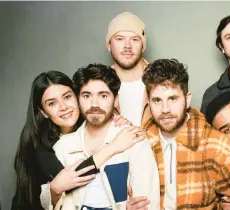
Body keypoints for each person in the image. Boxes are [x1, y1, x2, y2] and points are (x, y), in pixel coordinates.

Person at [140, 58, 230, 209]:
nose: (165, 109)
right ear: (148, 102)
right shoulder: (141, 142)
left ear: (187, 100)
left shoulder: (218, 147)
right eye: (157, 101)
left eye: (173, 99)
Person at [12, 71, 142, 210]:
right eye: (52, 103)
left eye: (67, 97)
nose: (63, 107)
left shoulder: (88, 128)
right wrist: (114, 146)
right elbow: (73, 178)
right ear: (43, 112)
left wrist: (116, 122)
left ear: (78, 97)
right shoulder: (40, 143)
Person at [42, 64, 160, 210]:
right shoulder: (63, 147)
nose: (94, 104)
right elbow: (55, 202)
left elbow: (147, 202)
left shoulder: (133, 140)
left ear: (116, 99)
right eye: (86, 96)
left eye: (103, 95)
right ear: (78, 99)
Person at [106, 12, 149, 126]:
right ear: (109, 45)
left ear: (143, 47)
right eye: (120, 39)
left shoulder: (162, 80)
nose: (127, 46)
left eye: (135, 39)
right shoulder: (98, 86)